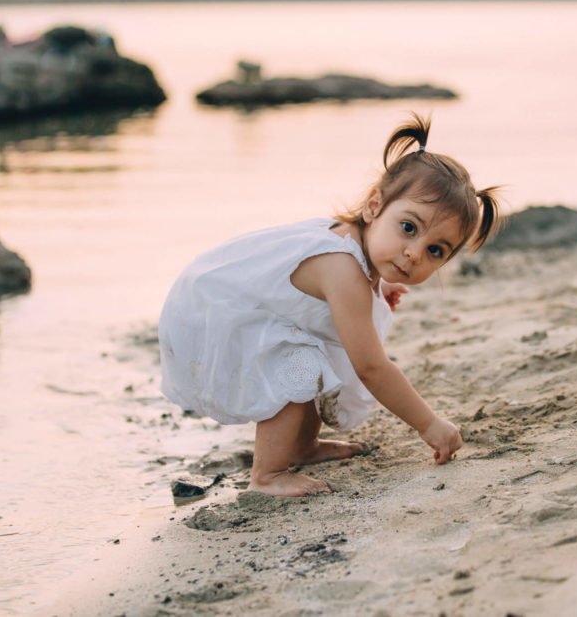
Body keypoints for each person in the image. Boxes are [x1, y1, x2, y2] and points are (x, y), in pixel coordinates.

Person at [158, 114, 501, 497]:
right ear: (375, 207)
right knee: (298, 363)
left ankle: (301, 447)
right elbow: (371, 367)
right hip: (210, 311)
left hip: (221, 300)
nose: (414, 253)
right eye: (409, 227)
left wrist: (377, 293)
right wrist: (428, 423)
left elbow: (318, 301)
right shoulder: (343, 268)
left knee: (309, 354)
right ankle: (267, 475)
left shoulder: (357, 256)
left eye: (435, 250)